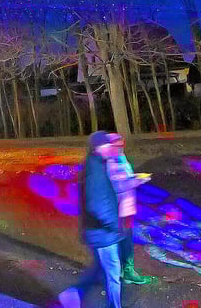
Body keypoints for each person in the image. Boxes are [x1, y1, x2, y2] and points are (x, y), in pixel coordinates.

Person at [57, 131, 124, 308]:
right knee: (113, 274)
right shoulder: (96, 172)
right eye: (106, 145)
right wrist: (113, 224)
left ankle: (72, 294)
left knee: (99, 268)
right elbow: (97, 205)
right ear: (97, 148)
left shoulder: (97, 164)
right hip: (102, 232)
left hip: (97, 231)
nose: (110, 147)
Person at [107, 134, 154, 285]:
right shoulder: (109, 162)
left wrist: (134, 177)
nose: (120, 147)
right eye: (117, 145)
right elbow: (117, 185)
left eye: (122, 145)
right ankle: (126, 271)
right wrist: (138, 180)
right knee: (122, 238)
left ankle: (123, 270)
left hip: (126, 206)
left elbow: (125, 177)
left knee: (125, 237)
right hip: (117, 207)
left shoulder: (121, 157)